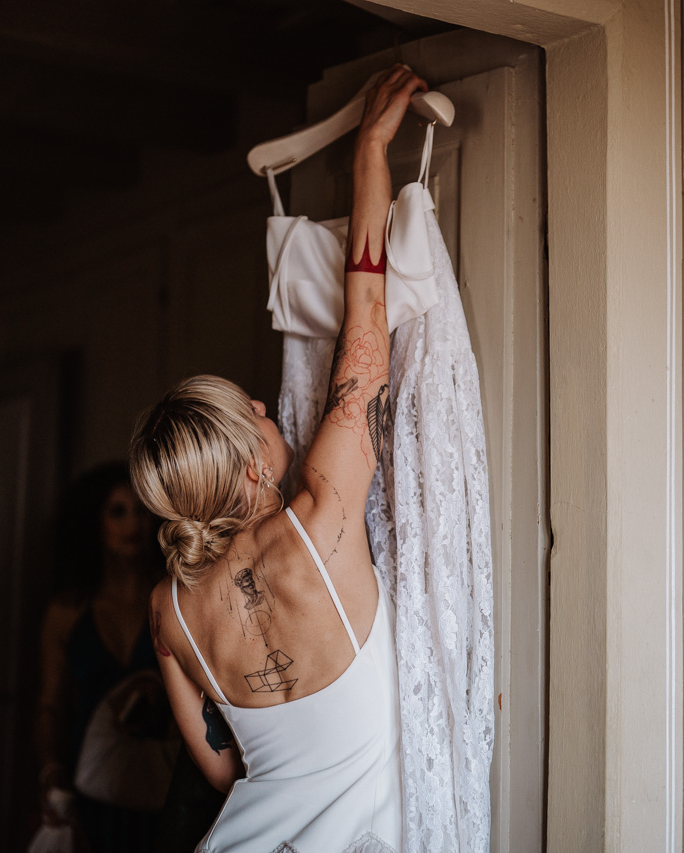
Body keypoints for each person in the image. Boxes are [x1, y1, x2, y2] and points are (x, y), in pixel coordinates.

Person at [129, 65, 426, 852]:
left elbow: (223, 771)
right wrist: (371, 150)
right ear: (250, 468)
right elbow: (368, 318)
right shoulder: (321, 516)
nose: (265, 406)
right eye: (250, 412)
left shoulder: (167, 610)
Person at [34, 461, 170, 852]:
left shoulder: (176, 599)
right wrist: (51, 771)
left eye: (142, 510)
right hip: (90, 780)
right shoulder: (67, 611)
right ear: (94, 521)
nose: (133, 524)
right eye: (117, 511)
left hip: (161, 780)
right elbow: (50, 705)